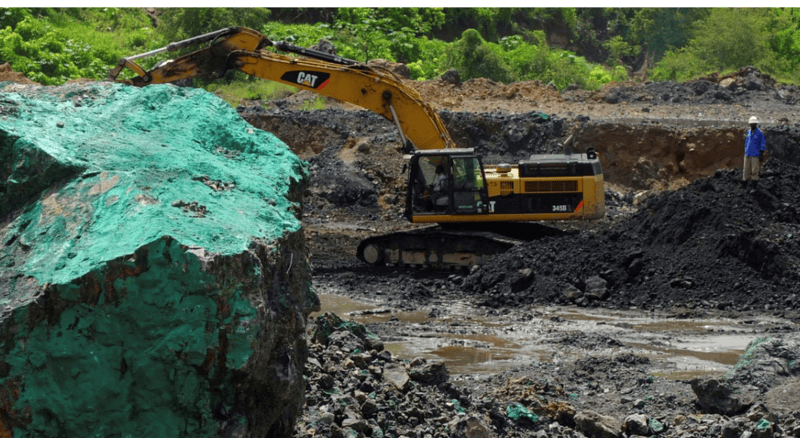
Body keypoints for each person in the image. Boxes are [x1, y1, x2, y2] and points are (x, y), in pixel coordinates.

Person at [743, 116, 766, 182]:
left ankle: (754, 184)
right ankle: (745, 182)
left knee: (754, 170)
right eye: (751, 124)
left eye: (753, 124)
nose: (752, 125)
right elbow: (747, 142)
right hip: (747, 153)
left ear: (756, 124)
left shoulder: (760, 133)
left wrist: (761, 153)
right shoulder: (748, 132)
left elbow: (762, 143)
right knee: (746, 169)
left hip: (755, 154)